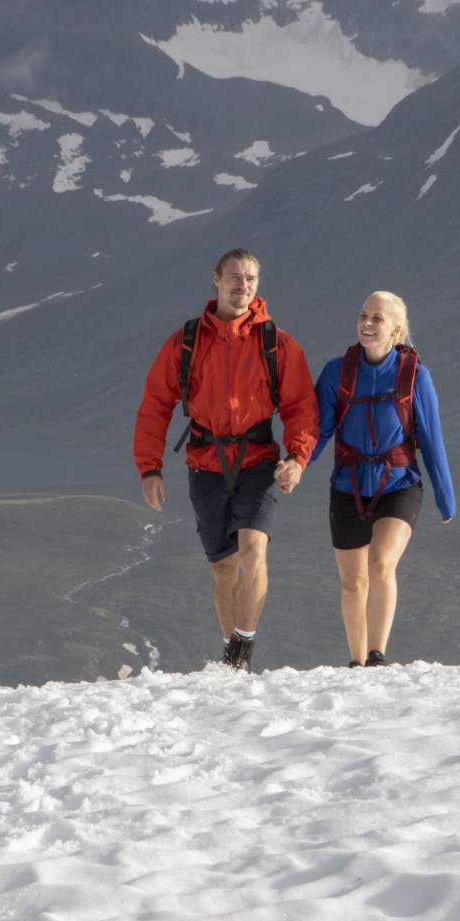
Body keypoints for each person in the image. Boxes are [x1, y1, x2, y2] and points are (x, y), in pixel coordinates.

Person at [133, 249, 318, 672]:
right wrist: (150, 467)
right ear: (215, 280)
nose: (244, 285)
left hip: (259, 461)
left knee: (254, 549)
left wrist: (297, 458)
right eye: (234, 277)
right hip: (205, 463)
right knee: (223, 569)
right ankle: (230, 656)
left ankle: (242, 649)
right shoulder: (187, 341)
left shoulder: (277, 343)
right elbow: (155, 405)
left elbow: (301, 407)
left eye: (251, 278)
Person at [308, 291, 455, 668]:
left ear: (396, 329)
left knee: (380, 563)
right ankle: (357, 661)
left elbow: (432, 440)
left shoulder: (416, 377)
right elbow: (319, 431)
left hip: (399, 484)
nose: (367, 323)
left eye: (377, 318)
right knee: (353, 581)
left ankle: (377, 655)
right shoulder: (335, 373)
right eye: (363, 315)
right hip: (348, 486)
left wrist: (446, 498)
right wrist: (296, 464)